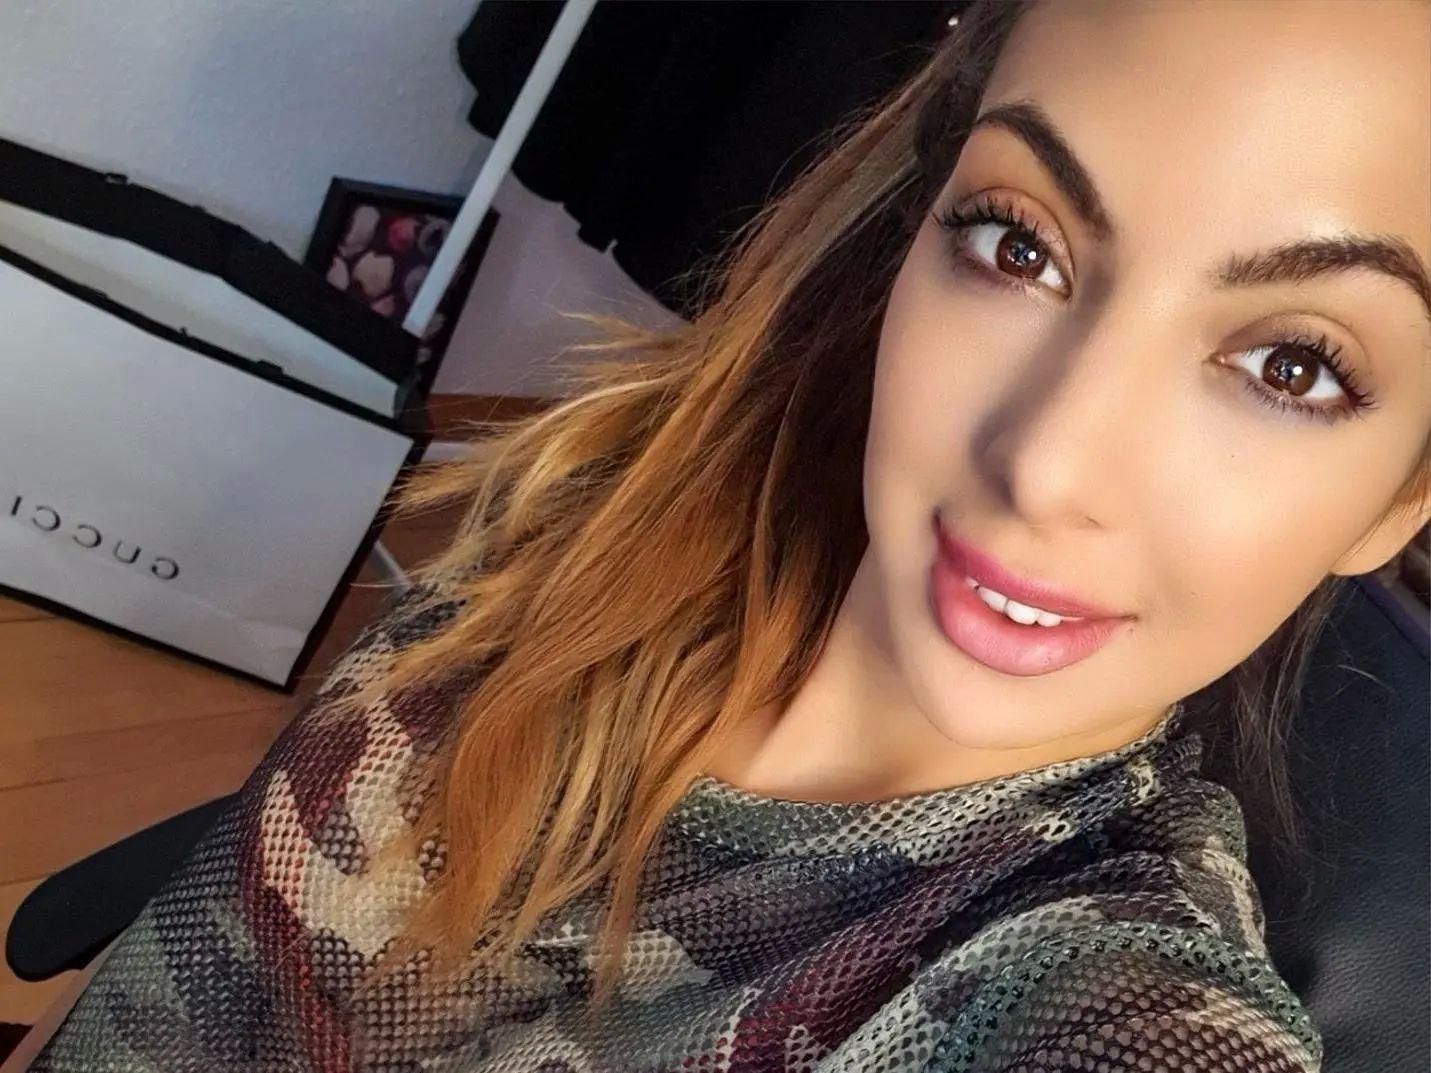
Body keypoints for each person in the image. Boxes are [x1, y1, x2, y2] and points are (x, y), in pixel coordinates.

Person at [23, 1, 1430, 1070]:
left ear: (1399, 502)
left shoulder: (1110, 1010)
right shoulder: (586, 519)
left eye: (1293, 366)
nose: (1047, 463)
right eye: (1020, 245)